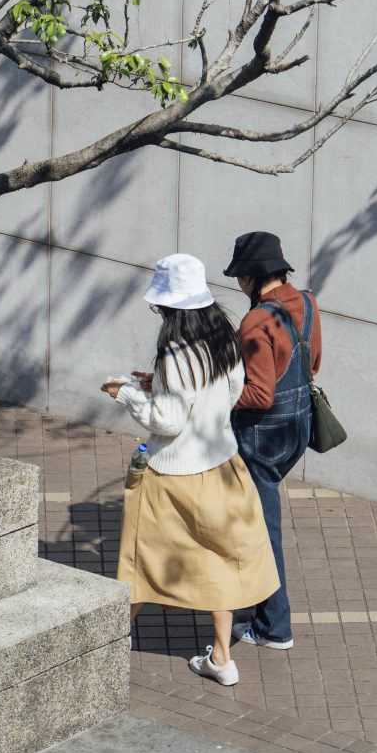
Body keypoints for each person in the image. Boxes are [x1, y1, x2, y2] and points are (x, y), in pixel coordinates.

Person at [102, 252, 279, 688]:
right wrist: (157, 384)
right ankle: (221, 658)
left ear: (168, 307)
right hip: (223, 467)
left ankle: (111, 639)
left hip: (171, 475)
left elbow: (168, 421)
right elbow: (230, 389)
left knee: (141, 559)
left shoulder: (175, 351)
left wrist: (125, 392)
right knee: (220, 561)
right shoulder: (224, 338)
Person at [224, 230, 323, 652]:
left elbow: (259, 394)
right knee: (254, 519)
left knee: (264, 530)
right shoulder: (307, 302)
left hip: (262, 433)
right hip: (298, 426)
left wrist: (217, 395)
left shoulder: (256, 320)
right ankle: (252, 599)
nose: (238, 284)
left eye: (239, 277)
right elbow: (312, 362)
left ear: (251, 276)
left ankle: (273, 627)